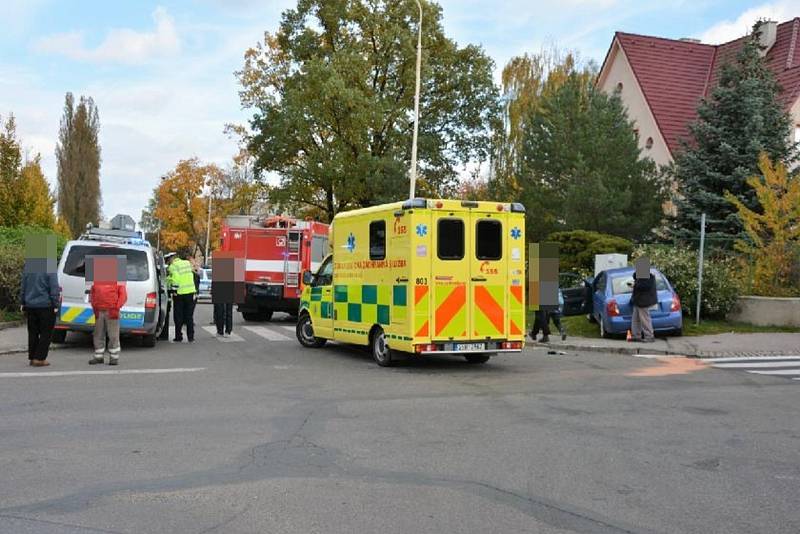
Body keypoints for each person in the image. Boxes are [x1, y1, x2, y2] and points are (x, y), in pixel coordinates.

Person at [20, 248, 60, 367]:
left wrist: (22, 302)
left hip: (30, 305)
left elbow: (23, 286)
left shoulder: (29, 267)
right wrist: (56, 303)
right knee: (46, 333)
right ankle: (40, 358)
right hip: (45, 305)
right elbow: (54, 287)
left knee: (32, 332)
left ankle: (32, 357)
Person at [88, 256, 127, 365]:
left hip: (111, 311)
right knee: (98, 334)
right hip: (99, 310)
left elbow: (123, 295)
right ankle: (98, 356)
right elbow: (93, 294)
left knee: (113, 335)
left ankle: (114, 357)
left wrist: (116, 308)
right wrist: (94, 307)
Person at [166, 252, 197, 342]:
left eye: (168, 261)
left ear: (171, 259)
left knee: (178, 316)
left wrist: (172, 289)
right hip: (190, 292)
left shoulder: (173, 266)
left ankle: (178, 336)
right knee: (189, 316)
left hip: (179, 294)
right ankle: (191, 337)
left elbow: (175, 279)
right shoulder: (187, 263)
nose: (168, 263)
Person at [631, 258, 657, 343]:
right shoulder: (642, 275)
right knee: (636, 319)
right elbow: (634, 276)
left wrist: (634, 285)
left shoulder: (649, 277)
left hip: (644, 301)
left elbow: (643, 286)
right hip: (638, 300)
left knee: (645, 319)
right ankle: (636, 335)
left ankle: (649, 336)